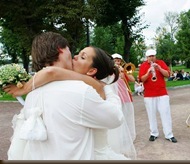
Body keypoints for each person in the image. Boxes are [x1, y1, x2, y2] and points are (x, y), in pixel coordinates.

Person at [5, 32, 125, 160]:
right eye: (70, 49)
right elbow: (115, 118)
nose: (74, 56)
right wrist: (105, 88)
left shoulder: (32, 94)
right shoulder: (81, 91)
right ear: (60, 49)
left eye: (82, 56)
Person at [139, 49, 177, 143]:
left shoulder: (161, 63)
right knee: (151, 114)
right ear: (147, 57)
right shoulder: (144, 65)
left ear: (155, 56)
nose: (151, 58)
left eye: (153, 56)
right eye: (149, 56)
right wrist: (148, 72)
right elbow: (141, 79)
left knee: (165, 114)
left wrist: (159, 68)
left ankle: (169, 134)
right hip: (149, 94)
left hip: (162, 93)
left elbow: (168, 75)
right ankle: (153, 133)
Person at [111, 53, 136, 142]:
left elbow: (132, 79)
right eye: (115, 60)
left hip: (126, 97)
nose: (117, 62)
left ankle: (128, 136)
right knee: (117, 117)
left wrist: (124, 71)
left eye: (119, 60)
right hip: (115, 98)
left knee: (127, 116)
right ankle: (118, 137)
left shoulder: (123, 69)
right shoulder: (110, 71)